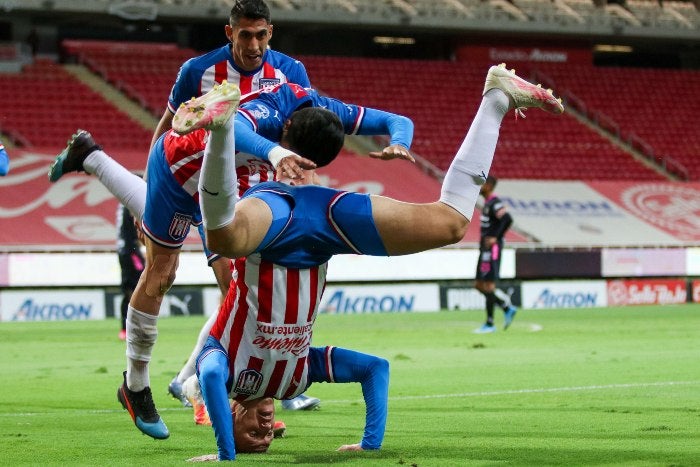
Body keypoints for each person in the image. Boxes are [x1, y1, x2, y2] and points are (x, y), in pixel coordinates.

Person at [177, 63, 563, 460]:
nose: (265, 430)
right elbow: (374, 368)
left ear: (231, 411)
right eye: (268, 437)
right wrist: (370, 443)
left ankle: (219, 130)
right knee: (450, 224)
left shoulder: (225, 374)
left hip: (278, 215)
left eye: (253, 436)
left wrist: (226, 454)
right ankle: (496, 101)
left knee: (224, 236)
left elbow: (206, 374)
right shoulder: (293, 383)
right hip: (326, 222)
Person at [47, 83, 414, 440]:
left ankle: (91, 156)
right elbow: (235, 126)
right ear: (286, 130)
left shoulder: (325, 113)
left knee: (239, 275)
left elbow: (397, 120)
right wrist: (275, 154)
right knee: (171, 274)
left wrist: (400, 143)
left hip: (228, 176)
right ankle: (142, 386)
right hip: (179, 168)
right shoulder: (270, 112)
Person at [473, 175, 517, 334]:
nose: (479, 186)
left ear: (489, 185)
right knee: (478, 285)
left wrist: (495, 238)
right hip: (484, 250)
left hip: (492, 250)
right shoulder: (487, 203)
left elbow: (508, 219)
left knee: (488, 285)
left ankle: (490, 323)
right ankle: (506, 307)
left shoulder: (495, 202)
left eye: (482, 184)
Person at [116, 201, 145, 341]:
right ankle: (133, 327)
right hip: (131, 252)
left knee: (130, 289)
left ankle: (127, 327)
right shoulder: (130, 202)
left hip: (124, 250)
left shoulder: (123, 202)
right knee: (138, 288)